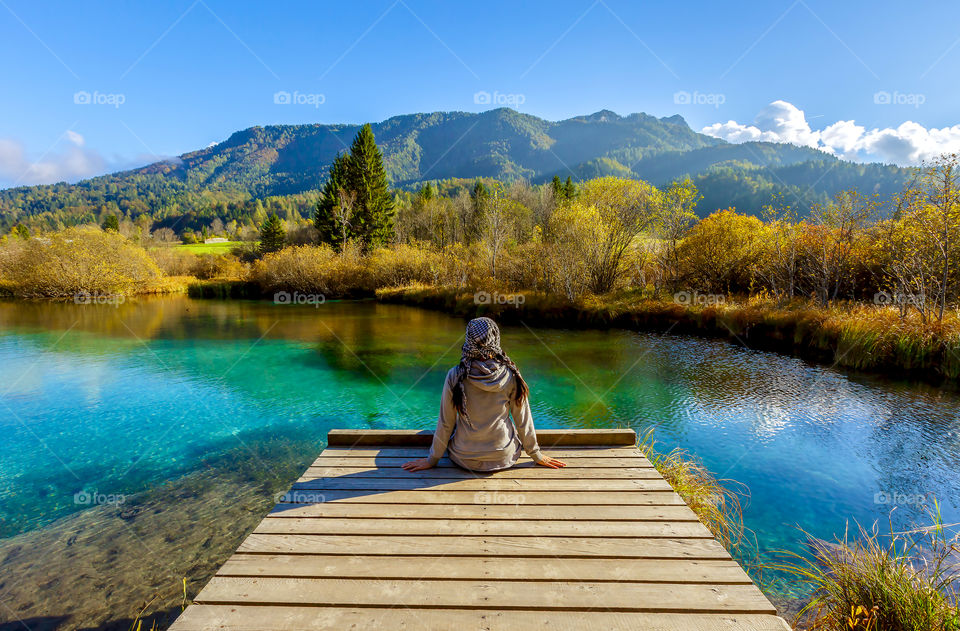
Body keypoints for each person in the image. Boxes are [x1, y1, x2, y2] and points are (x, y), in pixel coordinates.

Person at [402, 317, 566, 473]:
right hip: (503, 457)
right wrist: (536, 455)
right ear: (495, 338)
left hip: (464, 458)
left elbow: (446, 423)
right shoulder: (510, 374)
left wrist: (432, 459)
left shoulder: (456, 375)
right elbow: (523, 420)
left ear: (468, 339)